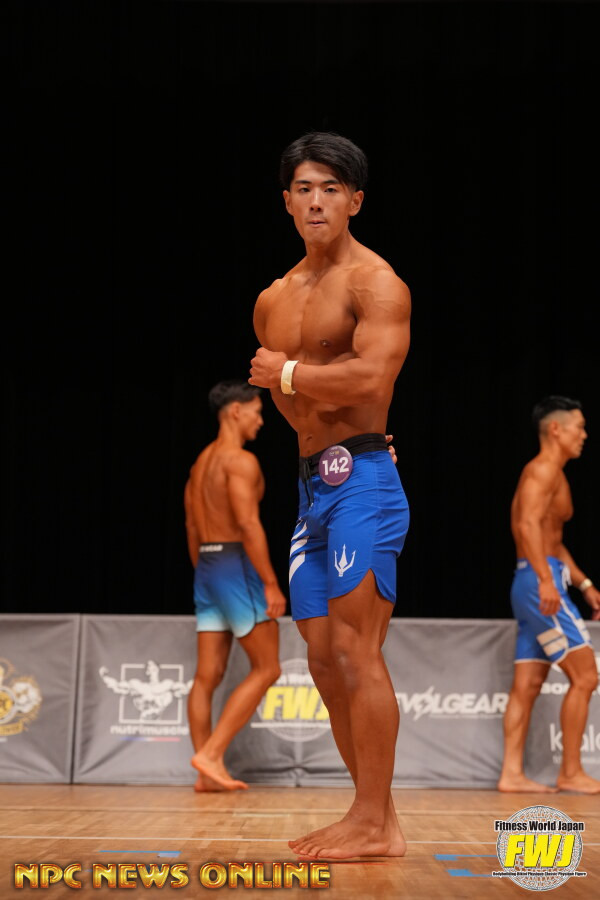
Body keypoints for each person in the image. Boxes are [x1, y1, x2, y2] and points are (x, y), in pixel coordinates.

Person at [249, 132, 411, 859]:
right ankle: (375, 818)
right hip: (314, 486)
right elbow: (296, 406)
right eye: (305, 188)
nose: (317, 201)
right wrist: (298, 391)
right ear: (286, 201)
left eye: (332, 189)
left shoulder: (376, 283)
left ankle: (373, 822)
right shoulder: (272, 299)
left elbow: (372, 378)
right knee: (319, 656)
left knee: (355, 649)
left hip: (365, 486)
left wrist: (288, 375)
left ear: (356, 201)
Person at [184, 380, 285, 791]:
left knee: (207, 674)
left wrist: (207, 572)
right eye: (257, 412)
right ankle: (211, 755)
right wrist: (271, 583)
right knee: (268, 667)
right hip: (233, 564)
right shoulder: (240, 462)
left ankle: (205, 775)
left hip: (207, 566)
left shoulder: (200, 463)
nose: (261, 421)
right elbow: (247, 523)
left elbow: (191, 526)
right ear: (236, 411)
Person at [498, 395, 600, 794]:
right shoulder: (542, 470)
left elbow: (553, 543)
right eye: (579, 427)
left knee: (527, 684)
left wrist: (585, 584)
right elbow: (525, 526)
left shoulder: (553, 473)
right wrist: (545, 580)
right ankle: (570, 772)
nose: (584, 435)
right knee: (586, 676)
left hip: (537, 579)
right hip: (540, 583)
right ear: (556, 429)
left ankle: (511, 774)